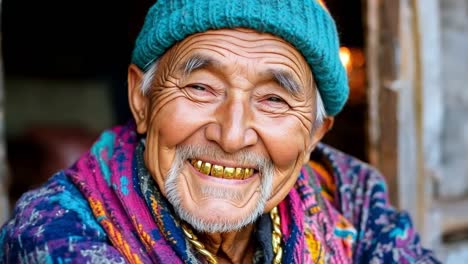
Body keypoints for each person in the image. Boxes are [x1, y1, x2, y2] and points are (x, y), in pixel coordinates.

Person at [0, 0, 440, 263]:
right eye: (200, 87)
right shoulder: (57, 232)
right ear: (141, 99)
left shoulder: (349, 196)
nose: (232, 136)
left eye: (274, 99)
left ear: (314, 134)